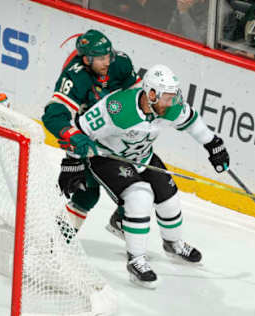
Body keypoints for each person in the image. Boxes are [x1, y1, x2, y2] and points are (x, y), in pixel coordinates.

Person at [59, 64, 230, 287]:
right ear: (151, 94)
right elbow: (80, 130)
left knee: (169, 199)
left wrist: (213, 144)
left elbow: (192, 121)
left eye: (172, 97)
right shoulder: (118, 108)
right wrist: (72, 162)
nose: (171, 103)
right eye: (166, 98)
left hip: (143, 156)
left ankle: (173, 244)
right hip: (107, 157)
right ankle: (136, 260)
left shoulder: (169, 106)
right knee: (140, 196)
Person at [42, 29, 139, 238]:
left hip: (119, 133)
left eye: (108, 56)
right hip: (89, 133)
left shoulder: (120, 63)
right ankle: (58, 240)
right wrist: (73, 137)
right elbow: (53, 115)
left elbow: (137, 99)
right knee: (87, 192)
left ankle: (122, 219)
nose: (107, 62)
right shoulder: (75, 75)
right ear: (86, 59)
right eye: (101, 58)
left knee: (140, 184)